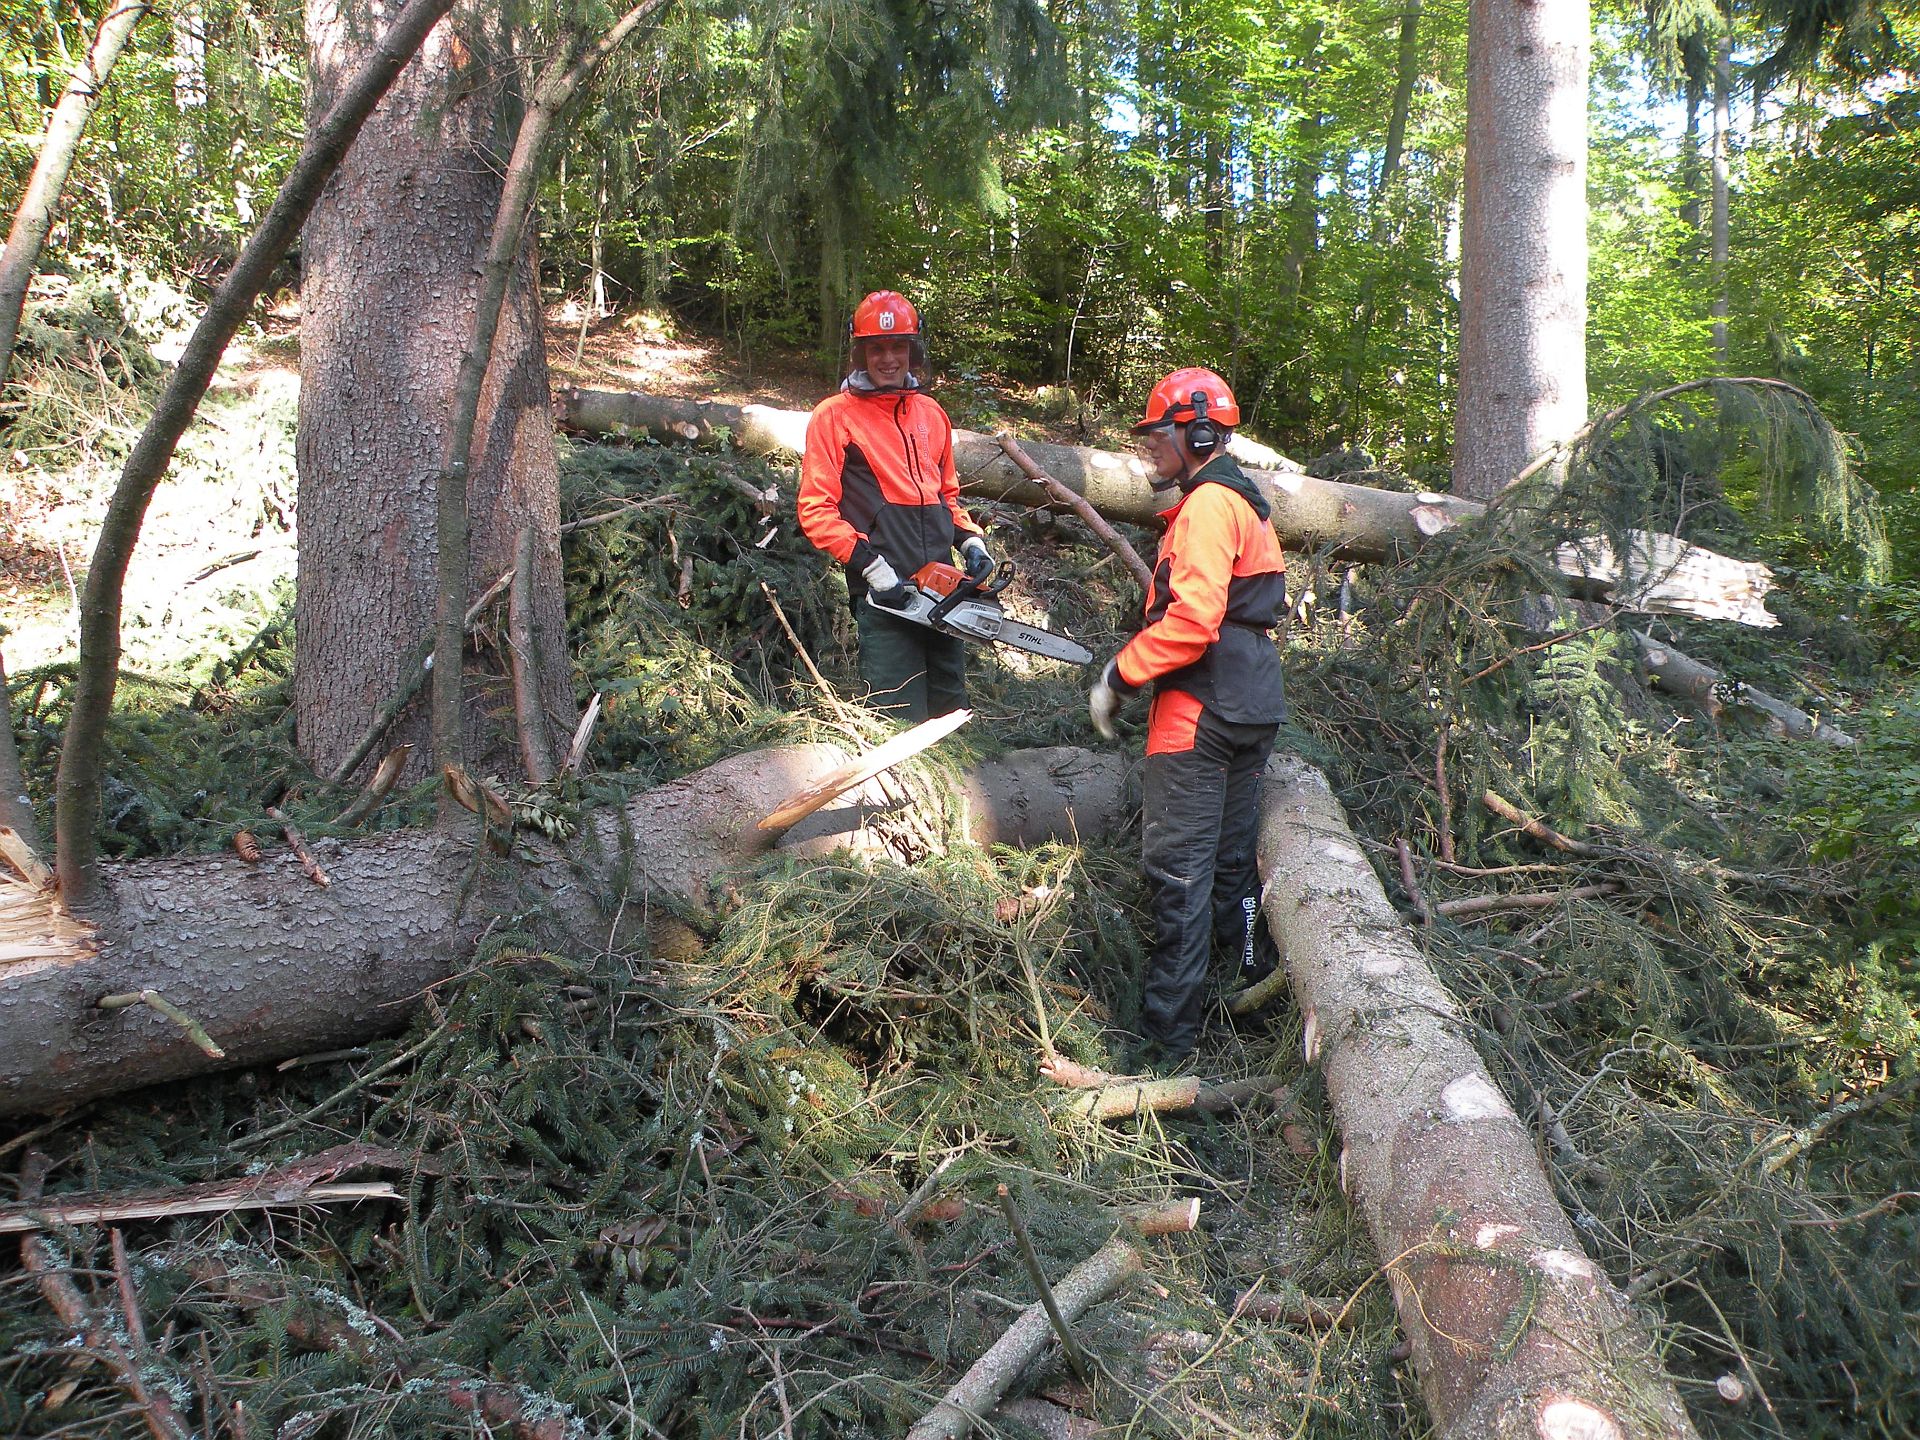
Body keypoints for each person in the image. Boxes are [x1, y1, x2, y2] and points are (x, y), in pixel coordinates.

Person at [1088, 367, 1288, 1070]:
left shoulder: (1207, 505)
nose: (1149, 446)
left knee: (1178, 874)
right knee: (1232, 865)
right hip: (1253, 699)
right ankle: (1247, 1002)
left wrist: (1121, 673)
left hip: (1200, 709)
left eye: (1158, 434)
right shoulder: (1247, 505)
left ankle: (1167, 1045)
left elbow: (1194, 622)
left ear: (1198, 433)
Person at [797, 290, 996, 722]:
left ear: (913, 350)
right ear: (860, 353)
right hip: (886, 592)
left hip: (943, 590)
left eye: (898, 347)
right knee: (898, 719)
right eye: (877, 349)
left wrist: (971, 542)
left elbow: (946, 496)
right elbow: (816, 509)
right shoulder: (834, 416)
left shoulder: (931, 413)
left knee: (951, 715)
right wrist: (869, 565)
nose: (888, 359)